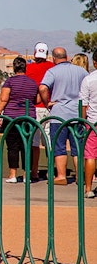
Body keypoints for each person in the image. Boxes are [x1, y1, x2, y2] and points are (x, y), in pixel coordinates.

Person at [39, 46, 88, 185]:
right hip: (77, 113)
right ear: (66, 56)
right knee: (77, 146)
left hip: (59, 113)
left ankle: (61, 176)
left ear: (54, 58)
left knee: (59, 145)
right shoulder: (81, 71)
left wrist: (47, 102)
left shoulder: (52, 71)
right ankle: (80, 176)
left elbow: (42, 87)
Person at [0, 56, 41, 183]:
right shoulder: (32, 83)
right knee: (27, 146)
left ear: (14, 68)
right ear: (25, 68)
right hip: (28, 117)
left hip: (12, 117)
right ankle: (27, 175)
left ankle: (13, 174)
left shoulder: (10, 81)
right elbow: (36, 99)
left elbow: (4, 98)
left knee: (12, 146)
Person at [26, 41, 55, 180]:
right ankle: (51, 171)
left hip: (34, 109)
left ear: (34, 53)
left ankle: (34, 171)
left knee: (34, 143)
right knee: (49, 142)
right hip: (50, 107)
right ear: (47, 54)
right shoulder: (53, 67)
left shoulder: (28, 68)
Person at [77, 48, 97, 198]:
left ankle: (88, 188)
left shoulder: (89, 79)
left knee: (90, 155)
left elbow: (83, 104)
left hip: (92, 121)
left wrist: (82, 122)